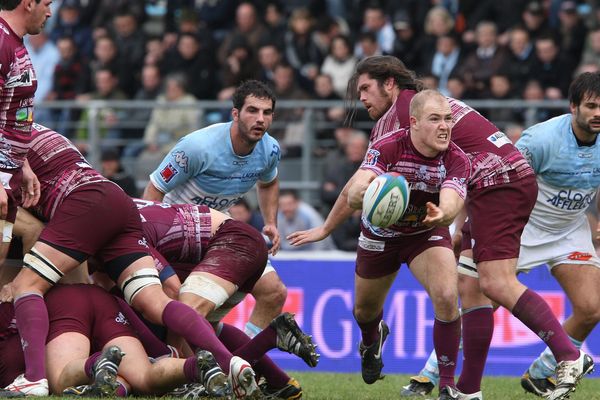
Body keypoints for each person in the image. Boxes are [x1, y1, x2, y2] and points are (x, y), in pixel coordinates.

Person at [287, 55, 593, 400]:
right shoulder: (417, 110)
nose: (362, 98)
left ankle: (569, 355)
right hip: (495, 185)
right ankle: (467, 391)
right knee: (471, 288)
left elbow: (455, 178)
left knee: (493, 283)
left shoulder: (406, 116)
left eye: (366, 88)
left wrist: (446, 218)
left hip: (497, 185)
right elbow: (369, 182)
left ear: (390, 84)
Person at [3, 124, 254, 397]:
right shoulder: (24, 129)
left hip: (85, 206)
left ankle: (33, 379)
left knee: (27, 285)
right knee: (155, 303)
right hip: (116, 199)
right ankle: (228, 361)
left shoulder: (7, 144)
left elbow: (10, 214)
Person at [405, 72, 600, 399]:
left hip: (569, 229)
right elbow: (491, 177)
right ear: (573, 108)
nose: (598, 114)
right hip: (523, 224)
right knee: (482, 299)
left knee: (592, 307)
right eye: (591, 106)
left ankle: (543, 372)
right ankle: (432, 374)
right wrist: (463, 227)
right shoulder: (541, 140)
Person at [342, 90, 469, 399]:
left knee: (447, 296)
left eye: (448, 119)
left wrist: (443, 213)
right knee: (364, 311)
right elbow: (359, 186)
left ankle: (447, 384)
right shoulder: (388, 147)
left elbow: (452, 201)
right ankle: (372, 341)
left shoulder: (456, 158)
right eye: (435, 119)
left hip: (424, 233)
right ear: (413, 122)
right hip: (380, 236)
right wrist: (364, 192)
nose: (445, 127)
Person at [131, 198, 319, 399]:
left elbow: (172, 288)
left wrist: (174, 356)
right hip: (225, 240)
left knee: (184, 318)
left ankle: (264, 345)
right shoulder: (120, 210)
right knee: (206, 328)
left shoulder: (122, 230)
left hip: (221, 244)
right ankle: (278, 378)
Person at [142, 80, 287, 339]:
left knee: (274, 292)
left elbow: (269, 182)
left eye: (267, 113)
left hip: (221, 230)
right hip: (178, 230)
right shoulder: (197, 147)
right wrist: (150, 244)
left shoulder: (270, 149)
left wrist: (270, 222)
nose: (260, 119)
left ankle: (245, 359)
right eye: (252, 110)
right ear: (235, 114)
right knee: (182, 309)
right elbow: (154, 189)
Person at [0, 284, 229, 397]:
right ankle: (196, 367)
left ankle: (97, 362)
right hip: (99, 296)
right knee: (143, 379)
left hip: (61, 304)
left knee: (60, 381)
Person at [0, 0, 50, 266]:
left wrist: (24, 164)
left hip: (11, 176)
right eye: (47, 4)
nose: (50, 12)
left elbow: (10, 113)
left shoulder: (15, 43)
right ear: (29, 4)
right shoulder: (1, 42)